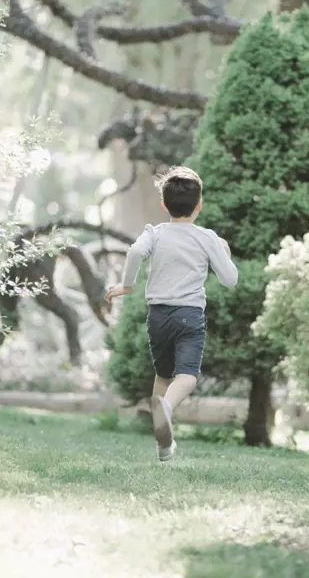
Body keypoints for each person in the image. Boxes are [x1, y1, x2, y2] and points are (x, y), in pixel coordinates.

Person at [105, 166, 238, 461]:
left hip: (157, 317)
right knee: (186, 377)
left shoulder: (156, 233)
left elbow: (135, 252)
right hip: (189, 315)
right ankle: (165, 407)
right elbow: (230, 280)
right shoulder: (207, 238)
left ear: (164, 205)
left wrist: (126, 286)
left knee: (163, 376)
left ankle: (164, 447)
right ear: (199, 205)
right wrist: (224, 253)